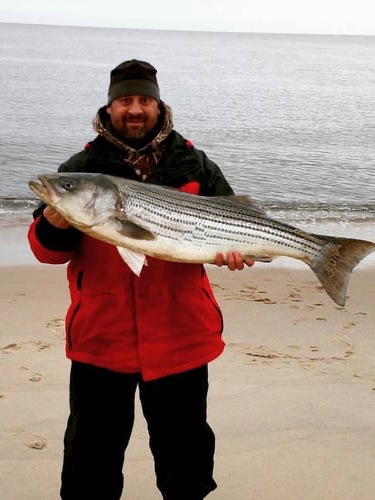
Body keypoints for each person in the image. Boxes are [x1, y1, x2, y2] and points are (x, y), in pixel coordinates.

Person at [28, 59, 253, 500]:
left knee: (185, 464)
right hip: (101, 338)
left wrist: (235, 251)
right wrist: (56, 219)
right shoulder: (82, 166)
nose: (135, 109)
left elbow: (236, 222)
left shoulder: (194, 162)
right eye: (125, 100)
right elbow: (45, 251)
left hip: (181, 336)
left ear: (158, 105)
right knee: (90, 464)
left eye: (143, 100)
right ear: (110, 108)